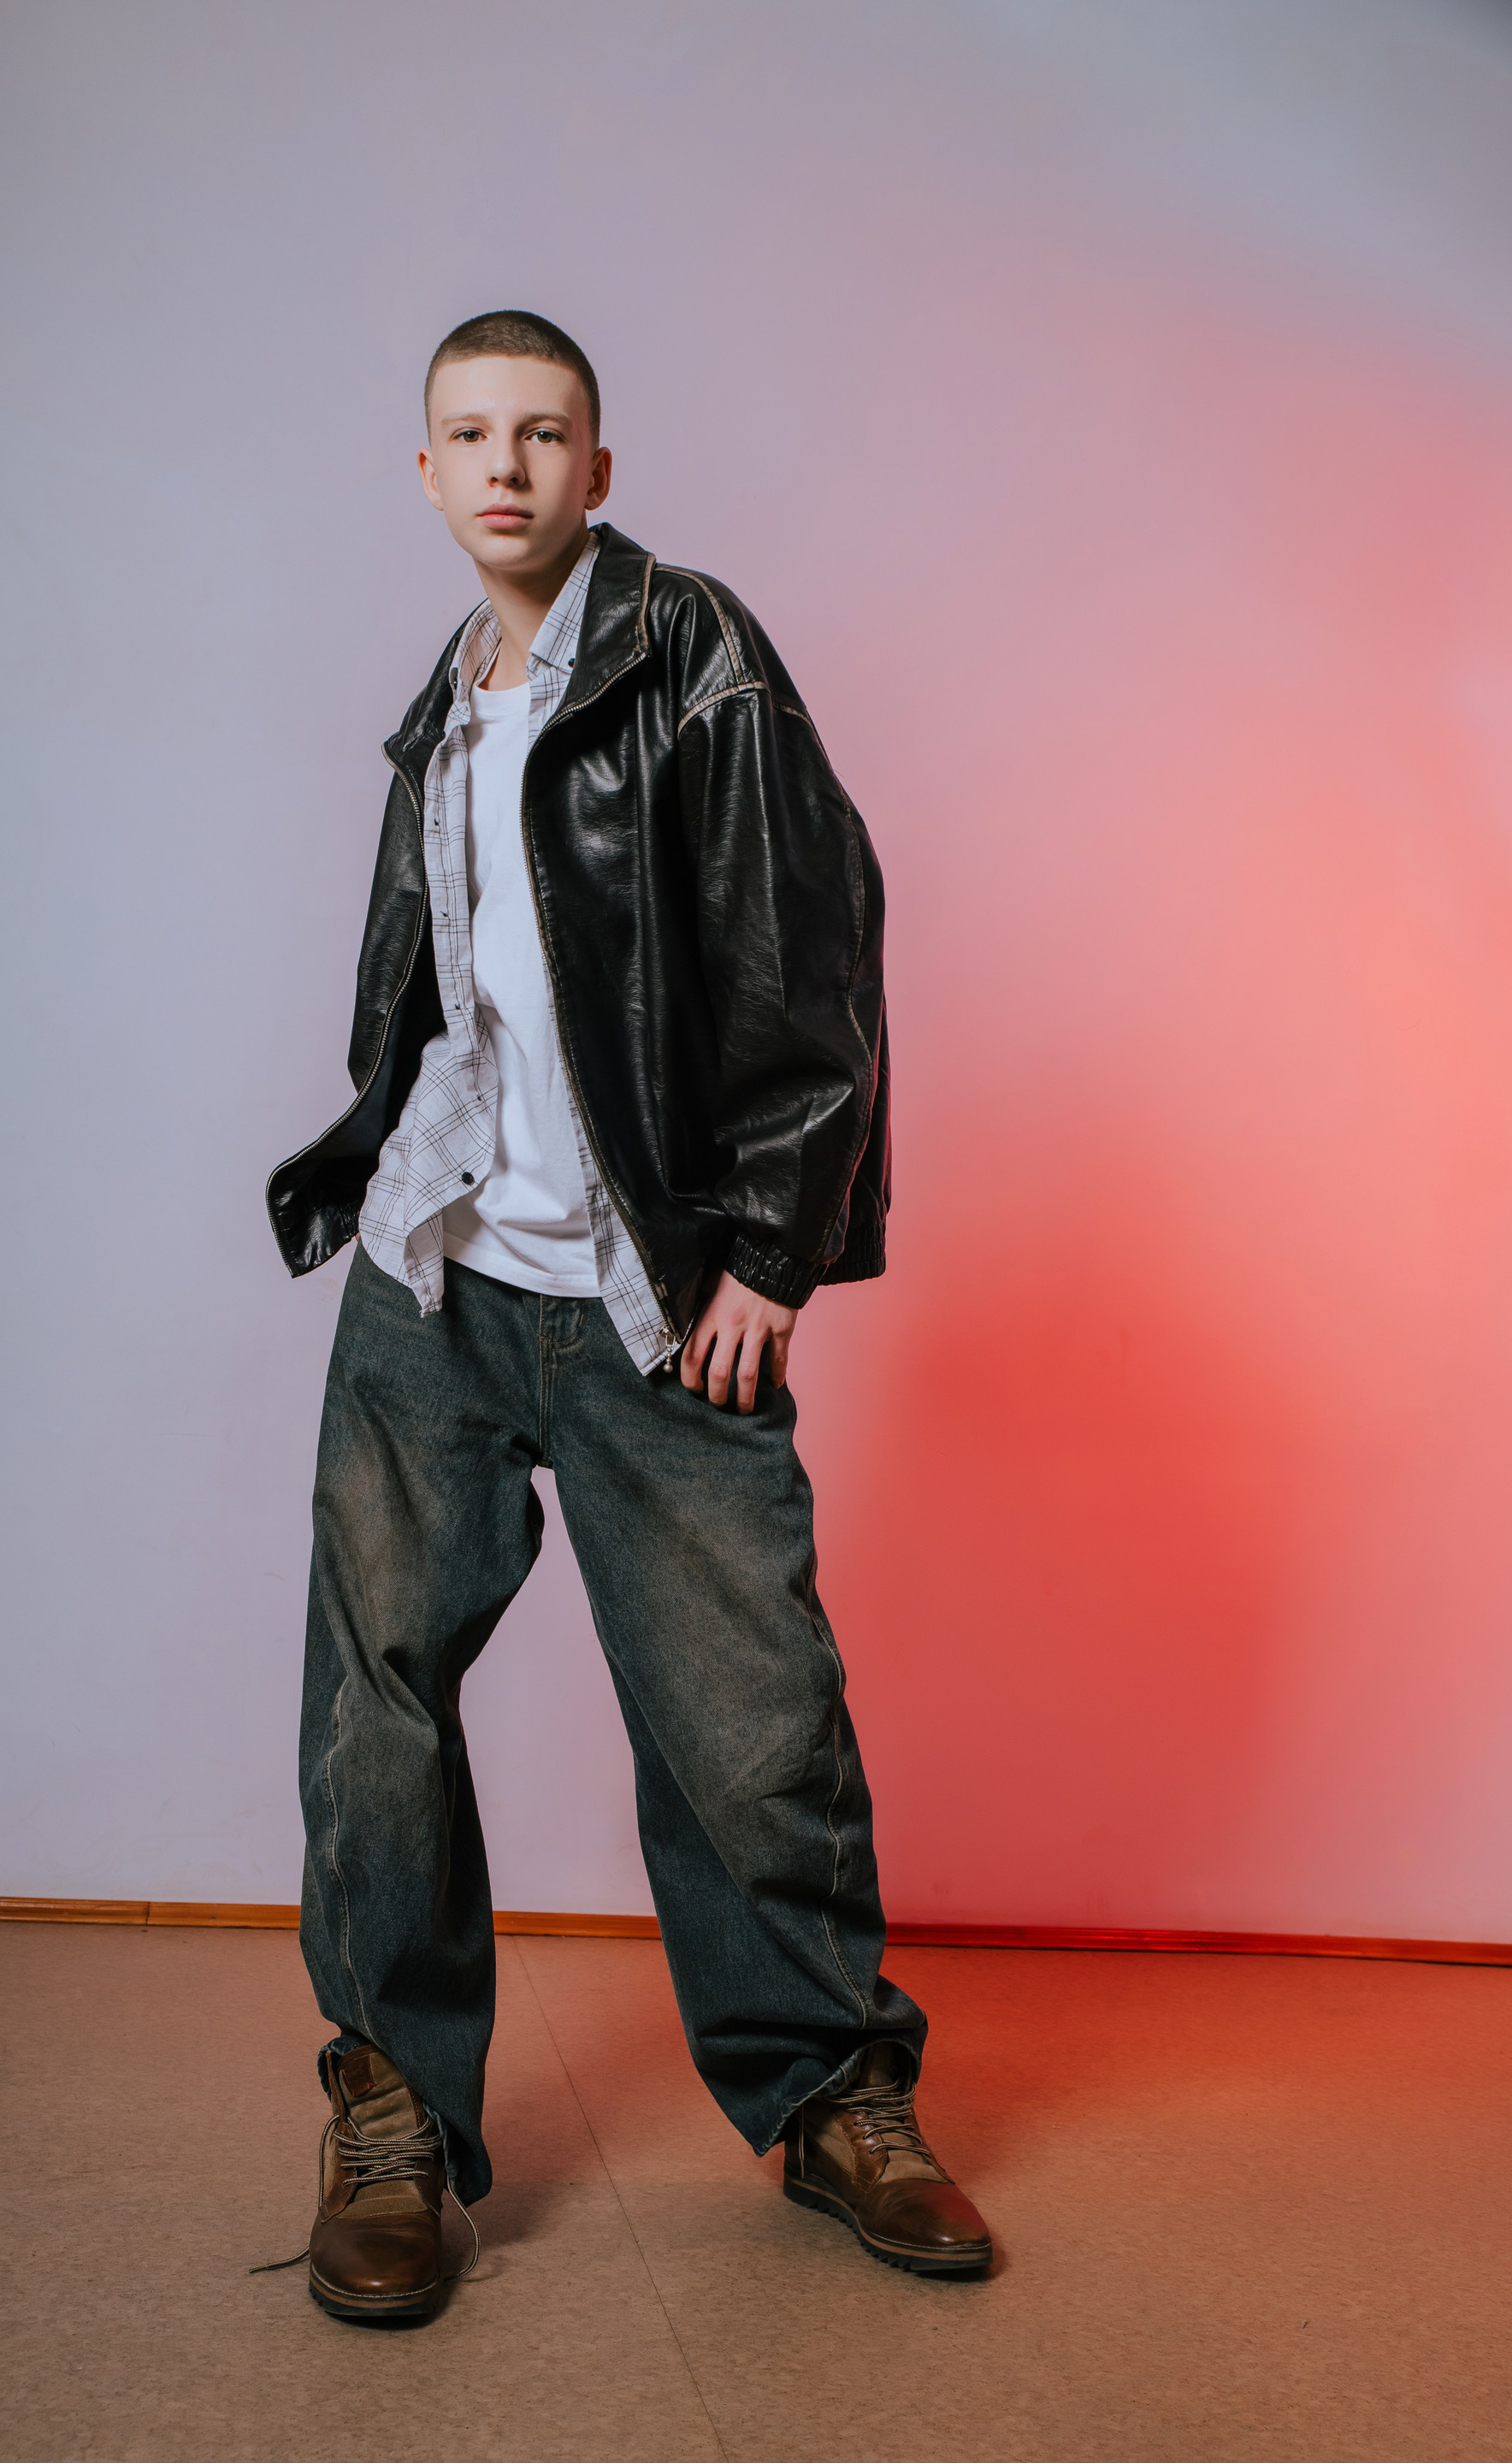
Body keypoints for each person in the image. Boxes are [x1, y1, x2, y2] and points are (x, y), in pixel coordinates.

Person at [267, 309, 993, 2320]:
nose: (505, 467)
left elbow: (811, 944)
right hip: (437, 1272)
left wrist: (772, 1247)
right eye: (470, 435)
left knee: (749, 1723)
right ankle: (393, 2112)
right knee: (374, 1711)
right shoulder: (447, 700)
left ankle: (835, 2100)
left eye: (543, 434)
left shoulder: (694, 657)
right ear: (426, 469)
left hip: (646, 1290)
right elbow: (447, 988)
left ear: (599, 466)